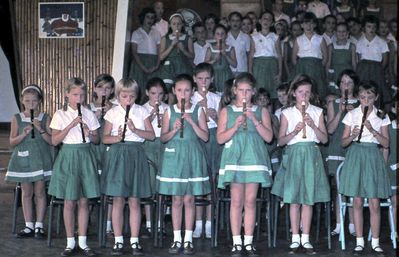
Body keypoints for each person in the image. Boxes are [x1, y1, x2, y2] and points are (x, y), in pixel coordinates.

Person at [271, 74, 330, 255]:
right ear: (294, 94)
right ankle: (295, 237)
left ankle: (306, 237)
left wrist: (313, 126)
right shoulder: (287, 113)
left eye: (307, 92)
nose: (304, 96)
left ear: (311, 94)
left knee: (308, 199)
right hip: (294, 154)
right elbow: (280, 141)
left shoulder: (317, 111)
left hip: (311, 154)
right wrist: (295, 131)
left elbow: (324, 139)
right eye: (300, 92)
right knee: (294, 199)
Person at [217, 72, 273, 256]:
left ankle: (248, 241)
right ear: (235, 90)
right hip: (235, 158)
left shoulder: (261, 110)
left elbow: (269, 137)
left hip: (254, 158)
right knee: (236, 201)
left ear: (253, 92)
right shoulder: (226, 111)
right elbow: (219, 139)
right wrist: (235, 126)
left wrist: (254, 120)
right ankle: (236, 242)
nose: (244, 94)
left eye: (248, 91)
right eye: (241, 90)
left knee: (250, 201)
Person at [157, 74, 210, 255]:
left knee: (189, 199)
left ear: (192, 91)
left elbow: (205, 136)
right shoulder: (169, 111)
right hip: (174, 157)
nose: (183, 93)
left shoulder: (198, 110)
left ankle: (188, 239)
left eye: (187, 90)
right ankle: (176, 238)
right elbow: (163, 138)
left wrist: (191, 122)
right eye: (179, 90)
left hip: (192, 155)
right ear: (174, 91)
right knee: (176, 200)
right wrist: (173, 129)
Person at [101, 78, 155, 255]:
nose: (128, 99)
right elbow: (104, 138)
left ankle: (134, 240)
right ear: (118, 96)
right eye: (124, 96)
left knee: (134, 200)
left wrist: (135, 130)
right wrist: (117, 137)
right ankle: (118, 240)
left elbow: (151, 136)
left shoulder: (141, 111)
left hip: (136, 154)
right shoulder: (113, 113)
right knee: (118, 200)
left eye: (132, 96)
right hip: (118, 154)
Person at [49, 77, 100, 256]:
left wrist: (89, 132)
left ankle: (83, 241)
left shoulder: (89, 113)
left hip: (85, 155)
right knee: (69, 202)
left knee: (84, 201)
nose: (79, 98)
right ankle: (70, 242)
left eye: (82, 94)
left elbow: (97, 139)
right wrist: (71, 125)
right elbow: (54, 141)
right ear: (67, 95)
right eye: (75, 94)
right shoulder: (59, 114)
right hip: (68, 155)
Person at [339, 80, 391, 256]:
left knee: (374, 202)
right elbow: (343, 142)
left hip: (372, 156)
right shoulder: (351, 115)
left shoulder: (382, 115)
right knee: (357, 201)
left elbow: (386, 143)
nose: (366, 99)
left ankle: (375, 242)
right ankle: (359, 241)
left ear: (376, 97)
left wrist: (374, 131)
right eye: (362, 96)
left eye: (369, 96)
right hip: (356, 155)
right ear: (359, 97)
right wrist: (352, 135)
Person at [5, 84, 52, 239]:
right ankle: (28, 225)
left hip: (40, 159)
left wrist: (40, 129)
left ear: (39, 101)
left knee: (40, 192)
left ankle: (39, 225)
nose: (31, 104)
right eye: (27, 101)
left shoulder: (45, 117)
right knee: (26, 193)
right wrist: (23, 134)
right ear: (22, 101)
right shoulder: (17, 118)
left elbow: (51, 141)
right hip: (23, 160)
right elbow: (12, 141)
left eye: (34, 101)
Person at [325, 69, 359, 237]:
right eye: (343, 82)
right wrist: (340, 111)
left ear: (354, 85)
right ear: (338, 85)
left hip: (353, 147)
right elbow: (330, 129)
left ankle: (353, 225)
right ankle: (339, 225)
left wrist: (353, 112)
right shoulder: (333, 103)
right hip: (338, 146)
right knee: (340, 188)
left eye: (349, 83)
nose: (346, 86)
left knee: (352, 187)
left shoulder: (361, 102)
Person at [190, 63, 222, 239]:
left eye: (207, 79)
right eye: (200, 78)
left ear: (212, 80)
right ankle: (197, 223)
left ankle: (209, 223)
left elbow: (222, 122)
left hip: (213, 139)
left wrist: (215, 116)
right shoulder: (191, 97)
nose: (203, 82)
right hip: (196, 139)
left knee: (211, 181)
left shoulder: (216, 98)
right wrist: (198, 109)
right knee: (198, 181)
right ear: (194, 79)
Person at [141, 77, 169, 237]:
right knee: (149, 185)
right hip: (148, 145)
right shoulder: (141, 109)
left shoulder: (168, 109)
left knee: (163, 185)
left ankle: (160, 222)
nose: (156, 97)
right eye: (153, 93)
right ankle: (150, 222)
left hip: (163, 145)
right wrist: (150, 119)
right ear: (147, 93)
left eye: (159, 94)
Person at [89, 74, 115, 235]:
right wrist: (95, 119)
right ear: (94, 89)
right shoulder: (86, 108)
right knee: (90, 187)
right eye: (100, 87)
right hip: (92, 151)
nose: (103, 91)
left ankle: (108, 224)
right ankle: (84, 222)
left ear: (112, 90)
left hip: (109, 150)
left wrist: (110, 114)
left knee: (110, 188)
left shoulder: (117, 108)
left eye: (107, 88)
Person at [292, 12, 328, 100]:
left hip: (316, 66)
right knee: (303, 86)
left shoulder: (320, 38)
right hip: (302, 67)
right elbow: (293, 58)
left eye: (311, 23)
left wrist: (319, 66)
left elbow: (325, 56)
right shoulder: (298, 39)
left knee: (316, 88)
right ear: (302, 25)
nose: (309, 26)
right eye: (306, 23)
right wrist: (300, 66)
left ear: (315, 25)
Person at [356, 15, 389, 106]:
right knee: (362, 88)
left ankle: (376, 108)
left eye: (374, 27)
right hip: (363, 68)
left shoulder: (381, 42)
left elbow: (385, 60)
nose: (372, 29)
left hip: (376, 69)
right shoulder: (360, 42)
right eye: (369, 27)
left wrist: (379, 70)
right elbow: (359, 58)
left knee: (376, 89)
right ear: (364, 28)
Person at [249, 10, 282, 98]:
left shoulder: (275, 37)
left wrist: (280, 72)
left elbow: (279, 55)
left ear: (272, 23)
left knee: (272, 90)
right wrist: (250, 71)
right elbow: (251, 55)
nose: (266, 21)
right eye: (264, 18)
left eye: (269, 19)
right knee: (259, 90)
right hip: (258, 65)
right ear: (259, 21)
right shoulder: (254, 36)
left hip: (272, 64)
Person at [129, 7, 161, 94]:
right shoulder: (136, 33)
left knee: (152, 87)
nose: (150, 20)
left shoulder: (156, 33)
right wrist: (143, 68)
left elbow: (159, 51)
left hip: (153, 63)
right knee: (138, 88)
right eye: (148, 17)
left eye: (152, 17)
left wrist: (157, 65)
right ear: (143, 17)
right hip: (140, 63)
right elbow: (134, 53)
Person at [159, 13, 194, 85]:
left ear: (182, 25)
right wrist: (171, 46)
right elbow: (161, 57)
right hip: (169, 68)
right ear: (170, 25)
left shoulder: (188, 38)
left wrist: (183, 50)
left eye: (179, 24)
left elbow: (192, 56)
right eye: (174, 24)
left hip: (183, 67)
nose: (176, 26)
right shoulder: (165, 38)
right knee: (168, 89)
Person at [326, 22, 357, 95]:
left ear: (347, 33)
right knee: (335, 92)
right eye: (339, 31)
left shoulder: (352, 46)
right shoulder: (331, 46)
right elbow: (328, 62)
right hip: (335, 72)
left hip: (347, 71)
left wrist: (354, 74)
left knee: (346, 91)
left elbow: (354, 62)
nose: (341, 33)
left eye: (344, 31)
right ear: (335, 33)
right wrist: (327, 75)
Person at [205, 24, 237, 93]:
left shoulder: (230, 48)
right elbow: (205, 64)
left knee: (226, 93)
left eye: (222, 34)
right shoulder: (210, 49)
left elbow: (234, 65)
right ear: (214, 36)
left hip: (226, 74)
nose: (220, 36)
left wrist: (226, 55)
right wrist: (214, 60)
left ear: (226, 35)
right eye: (218, 34)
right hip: (214, 75)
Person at [384, 96, 398, 242]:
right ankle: (394, 232)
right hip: (393, 169)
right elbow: (385, 150)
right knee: (395, 201)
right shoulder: (389, 127)